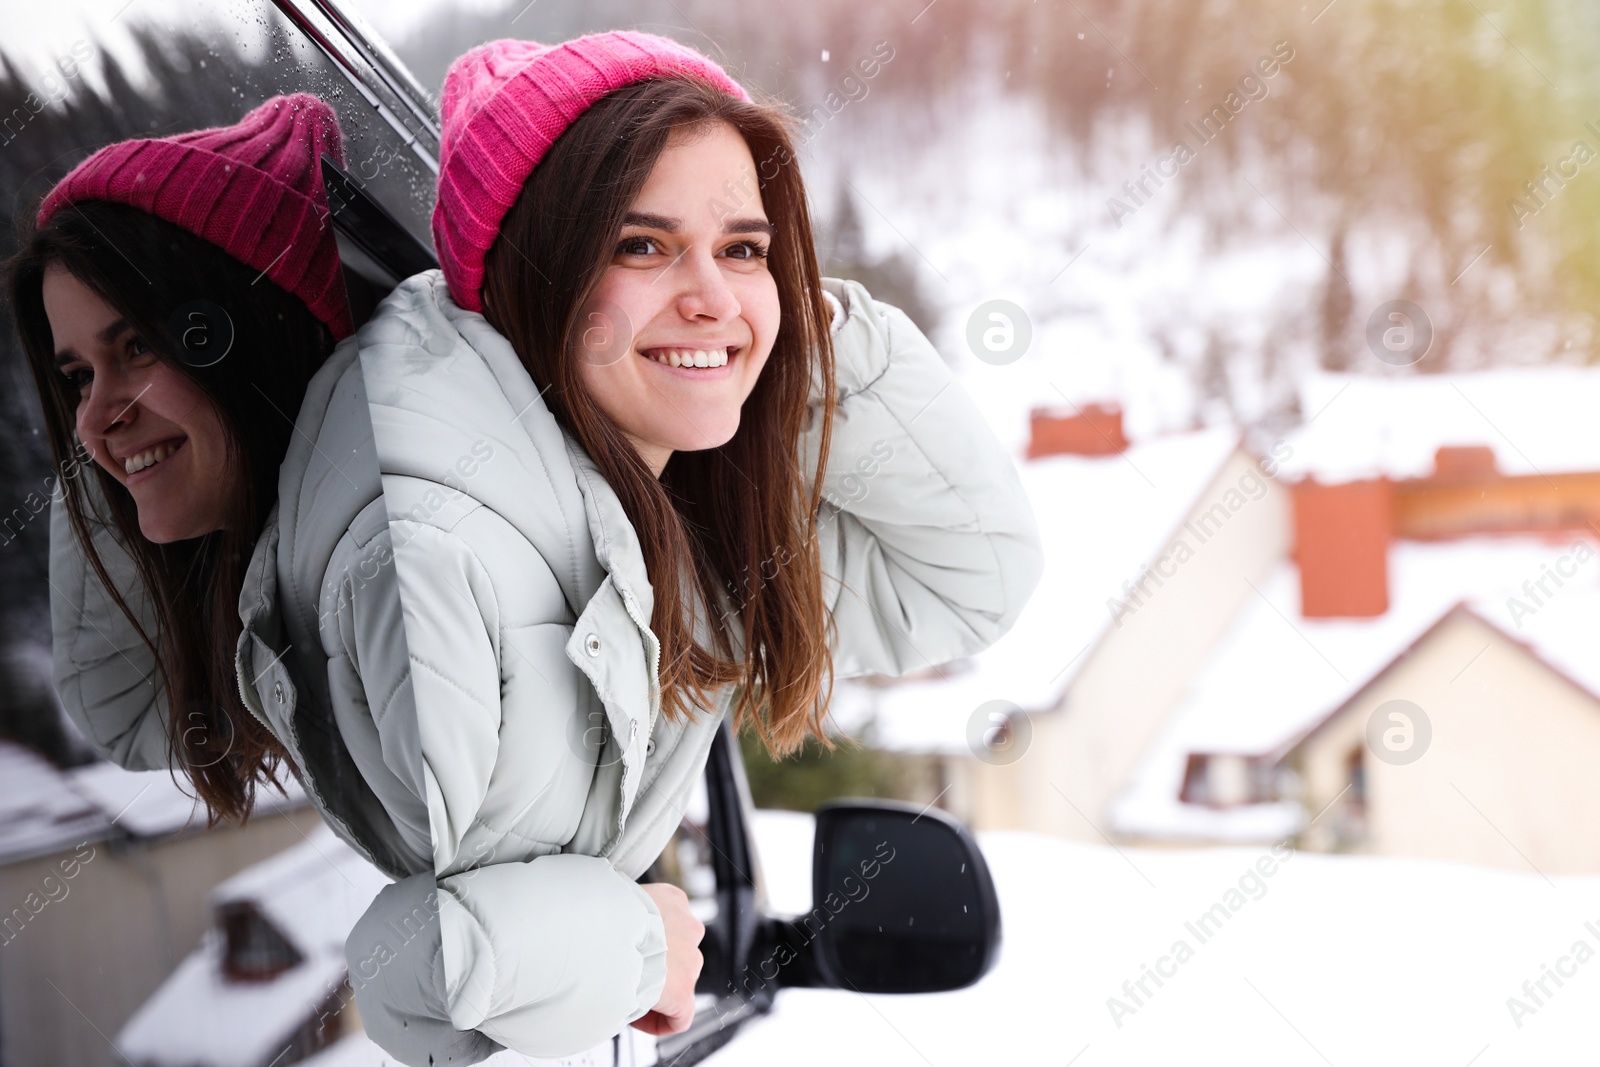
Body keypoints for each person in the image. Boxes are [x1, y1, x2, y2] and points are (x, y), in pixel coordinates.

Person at [324, 30, 1047, 1065]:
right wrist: (630, 944)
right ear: (527, 277)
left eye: (745, 249)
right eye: (642, 244)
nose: (712, 293)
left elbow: (969, 577)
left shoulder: (658, 524)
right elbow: (415, 972)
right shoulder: (460, 553)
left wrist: (783, 339)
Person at [6, 94, 360, 828]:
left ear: (255, 334)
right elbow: (140, 709)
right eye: (77, 377)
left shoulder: (382, 574)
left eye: (137, 346)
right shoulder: (282, 582)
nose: (94, 419)